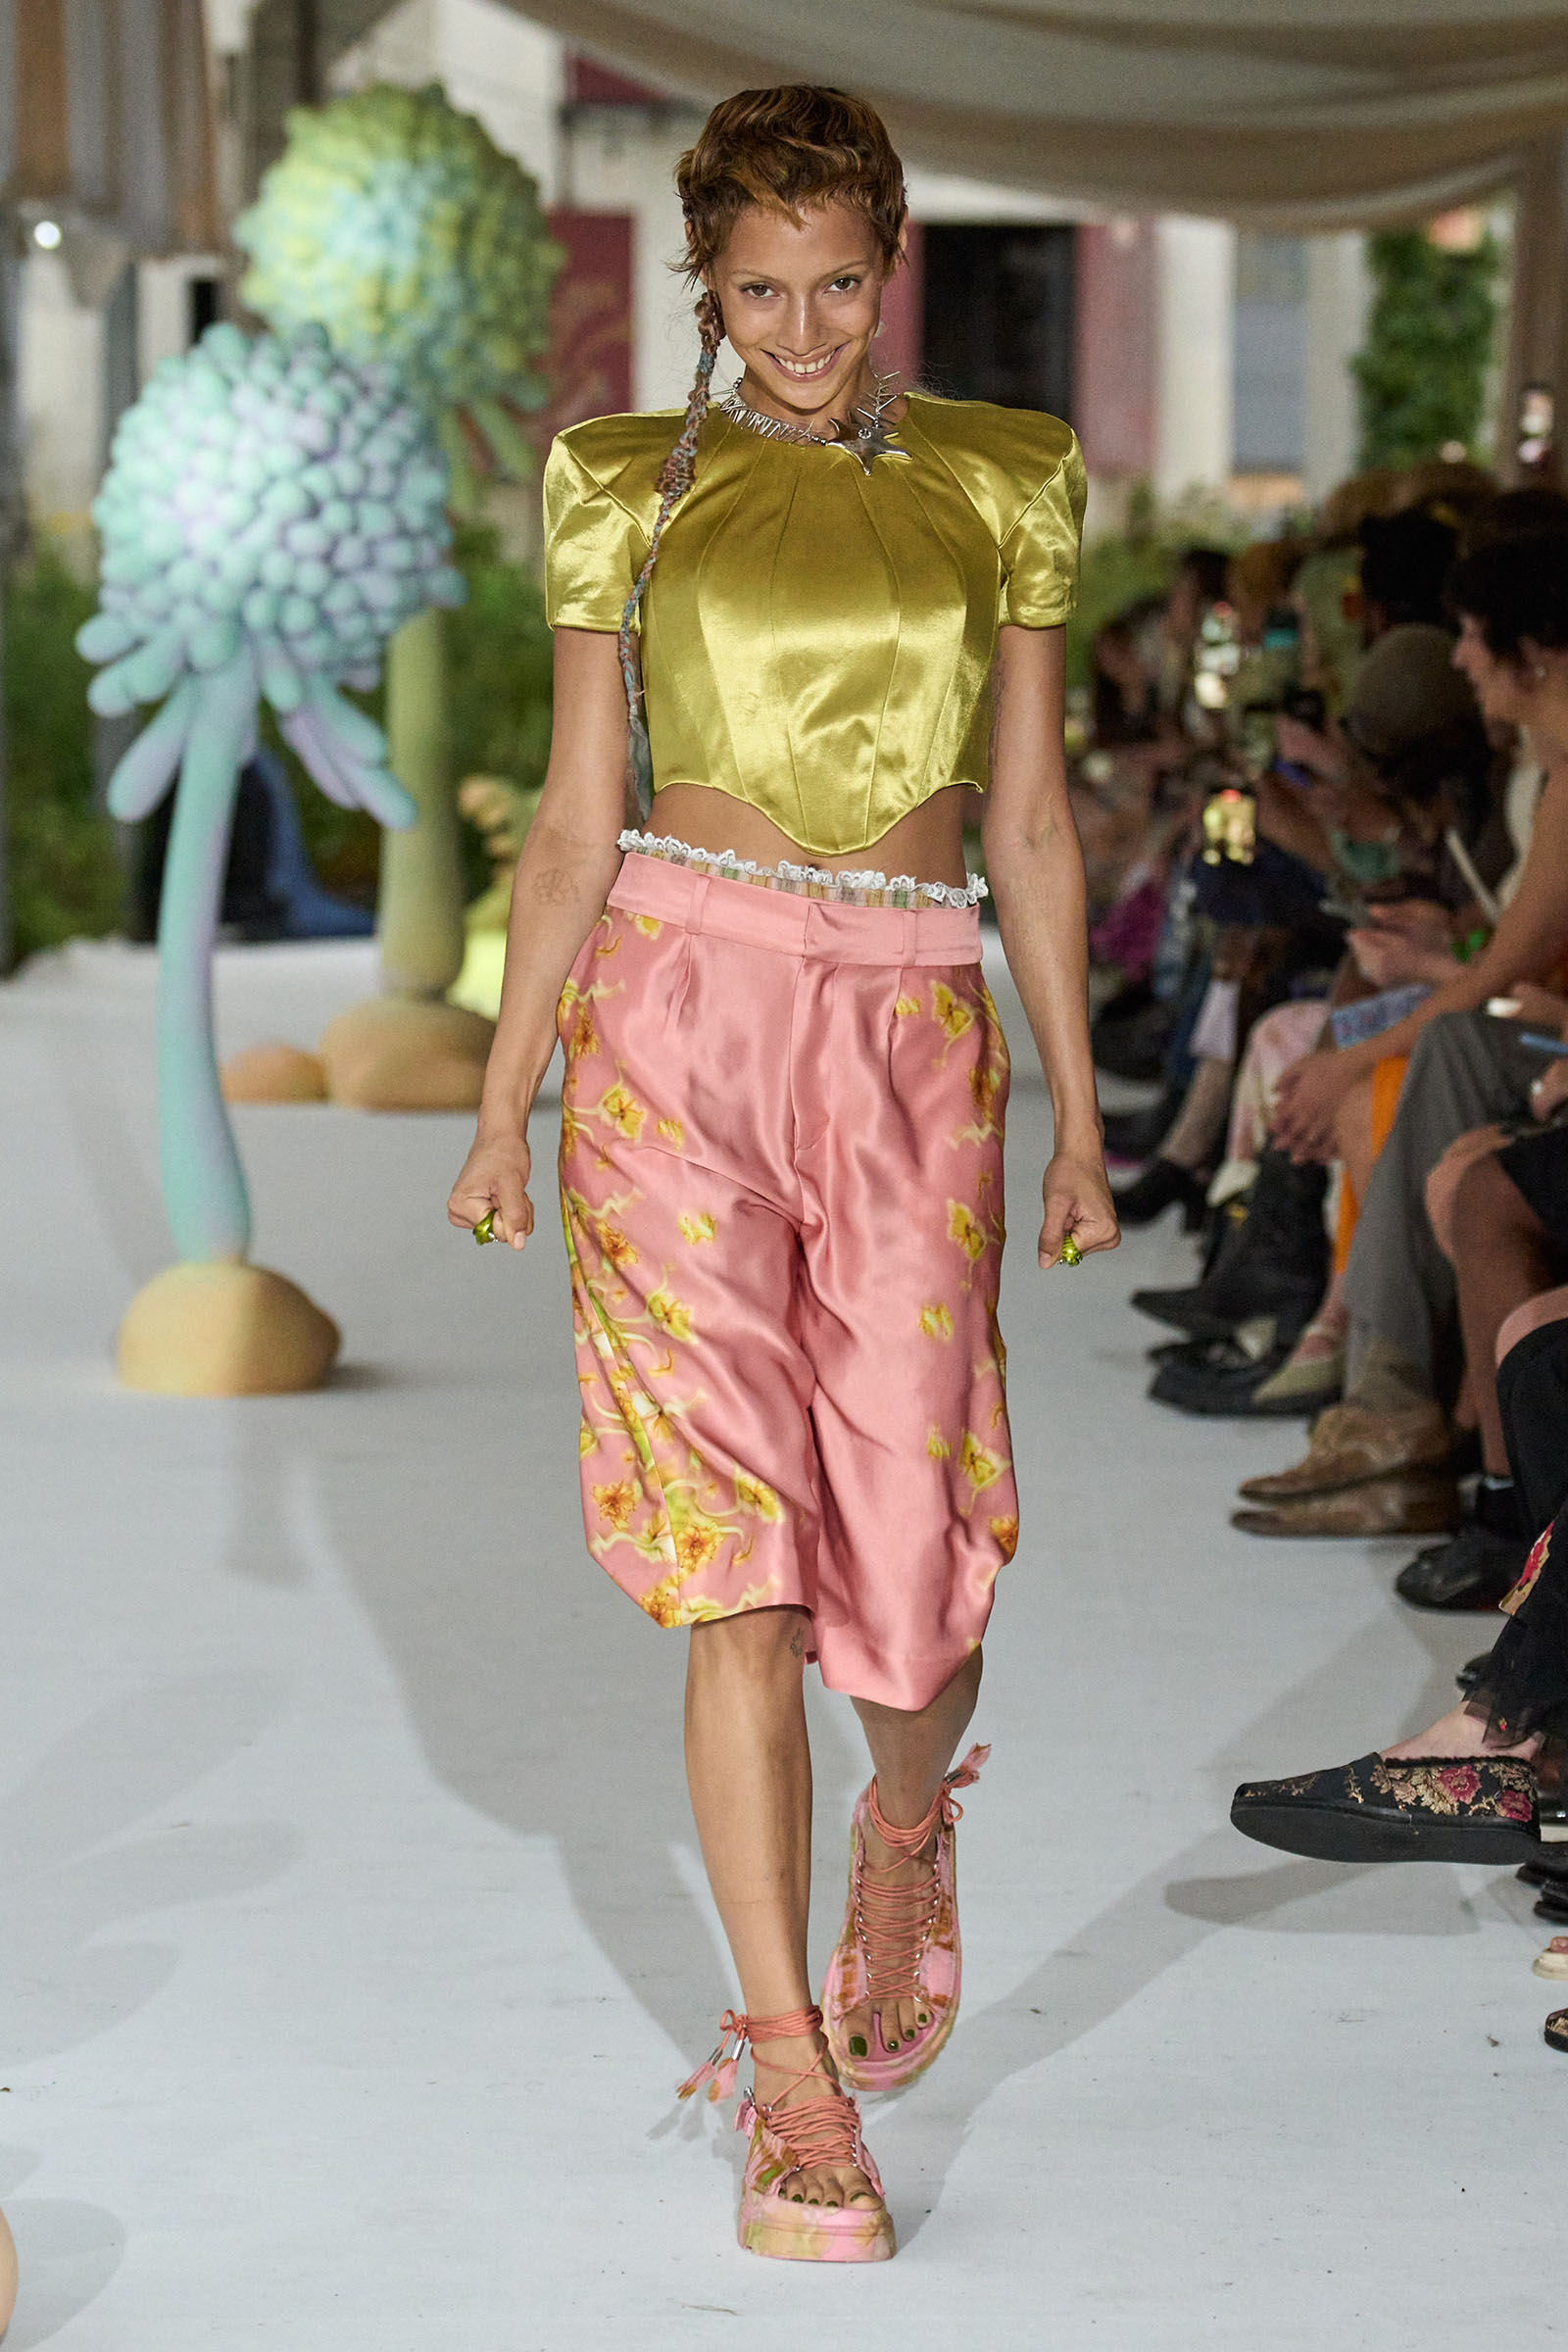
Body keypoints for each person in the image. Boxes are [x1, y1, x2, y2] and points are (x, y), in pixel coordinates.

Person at [444, 84, 1117, 2264]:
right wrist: (502, 1097)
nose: (804, 331)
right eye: (759, 292)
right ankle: (789, 2080)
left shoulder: (1007, 473)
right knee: (732, 1561)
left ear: (892, 257)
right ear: (704, 286)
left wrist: (1083, 1102)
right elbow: (576, 810)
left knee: (913, 1576)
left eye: (838, 283)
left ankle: (903, 1821)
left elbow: (1031, 814)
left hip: (911, 1030)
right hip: (671, 1023)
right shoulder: (619, 481)